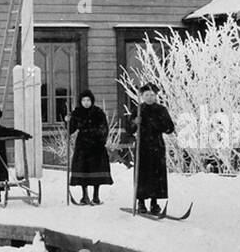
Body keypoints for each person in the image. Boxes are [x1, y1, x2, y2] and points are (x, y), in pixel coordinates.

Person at [125, 84, 176, 215]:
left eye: (152, 95)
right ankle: (141, 202)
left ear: (156, 96)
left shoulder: (161, 110)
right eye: (147, 95)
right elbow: (129, 130)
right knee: (142, 174)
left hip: (157, 146)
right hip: (142, 146)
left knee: (156, 174)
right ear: (142, 97)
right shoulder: (138, 110)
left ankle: (154, 203)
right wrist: (135, 123)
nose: (149, 97)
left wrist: (158, 124)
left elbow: (170, 128)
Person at [68, 90, 113, 205]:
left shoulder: (98, 112)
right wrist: (68, 121)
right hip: (82, 146)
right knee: (83, 170)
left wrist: (99, 138)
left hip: (96, 146)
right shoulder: (77, 113)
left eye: (88, 100)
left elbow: (104, 128)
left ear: (92, 101)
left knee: (96, 171)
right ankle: (84, 196)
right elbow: (70, 130)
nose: (86, 102)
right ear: (80, 101)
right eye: (83, 100)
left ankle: (96, 196)